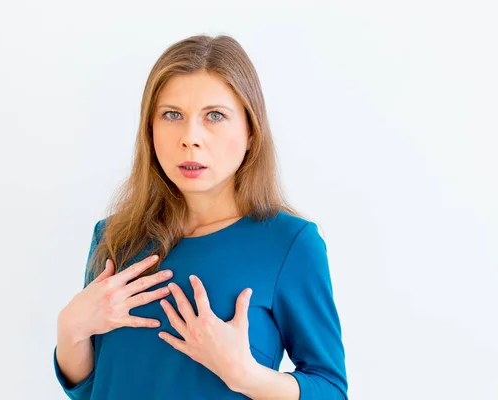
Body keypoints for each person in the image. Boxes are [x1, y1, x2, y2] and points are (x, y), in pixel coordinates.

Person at [53, 34, 348, 400]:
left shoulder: (290, 244)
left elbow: (331, 389)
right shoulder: (114, 236)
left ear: (251, 131)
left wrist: (245, 376)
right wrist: (70, 329)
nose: (191, 138)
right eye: (172, 115)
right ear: (150, 128)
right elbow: (94, 389)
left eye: (215, 116)